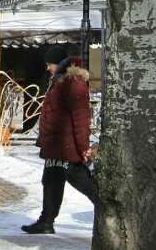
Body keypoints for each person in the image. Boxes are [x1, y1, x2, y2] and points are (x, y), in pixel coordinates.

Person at [21, 45, 98, 234]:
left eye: (50, 64)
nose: (48, 68)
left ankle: (47, 222)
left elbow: (80, 117)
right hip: (59, 145)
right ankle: (46, 221)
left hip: (65, 146)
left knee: (63, 182)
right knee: (55, 182)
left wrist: (83, 146)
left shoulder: (72, 82)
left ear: (59, 64)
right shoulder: (61, 81)